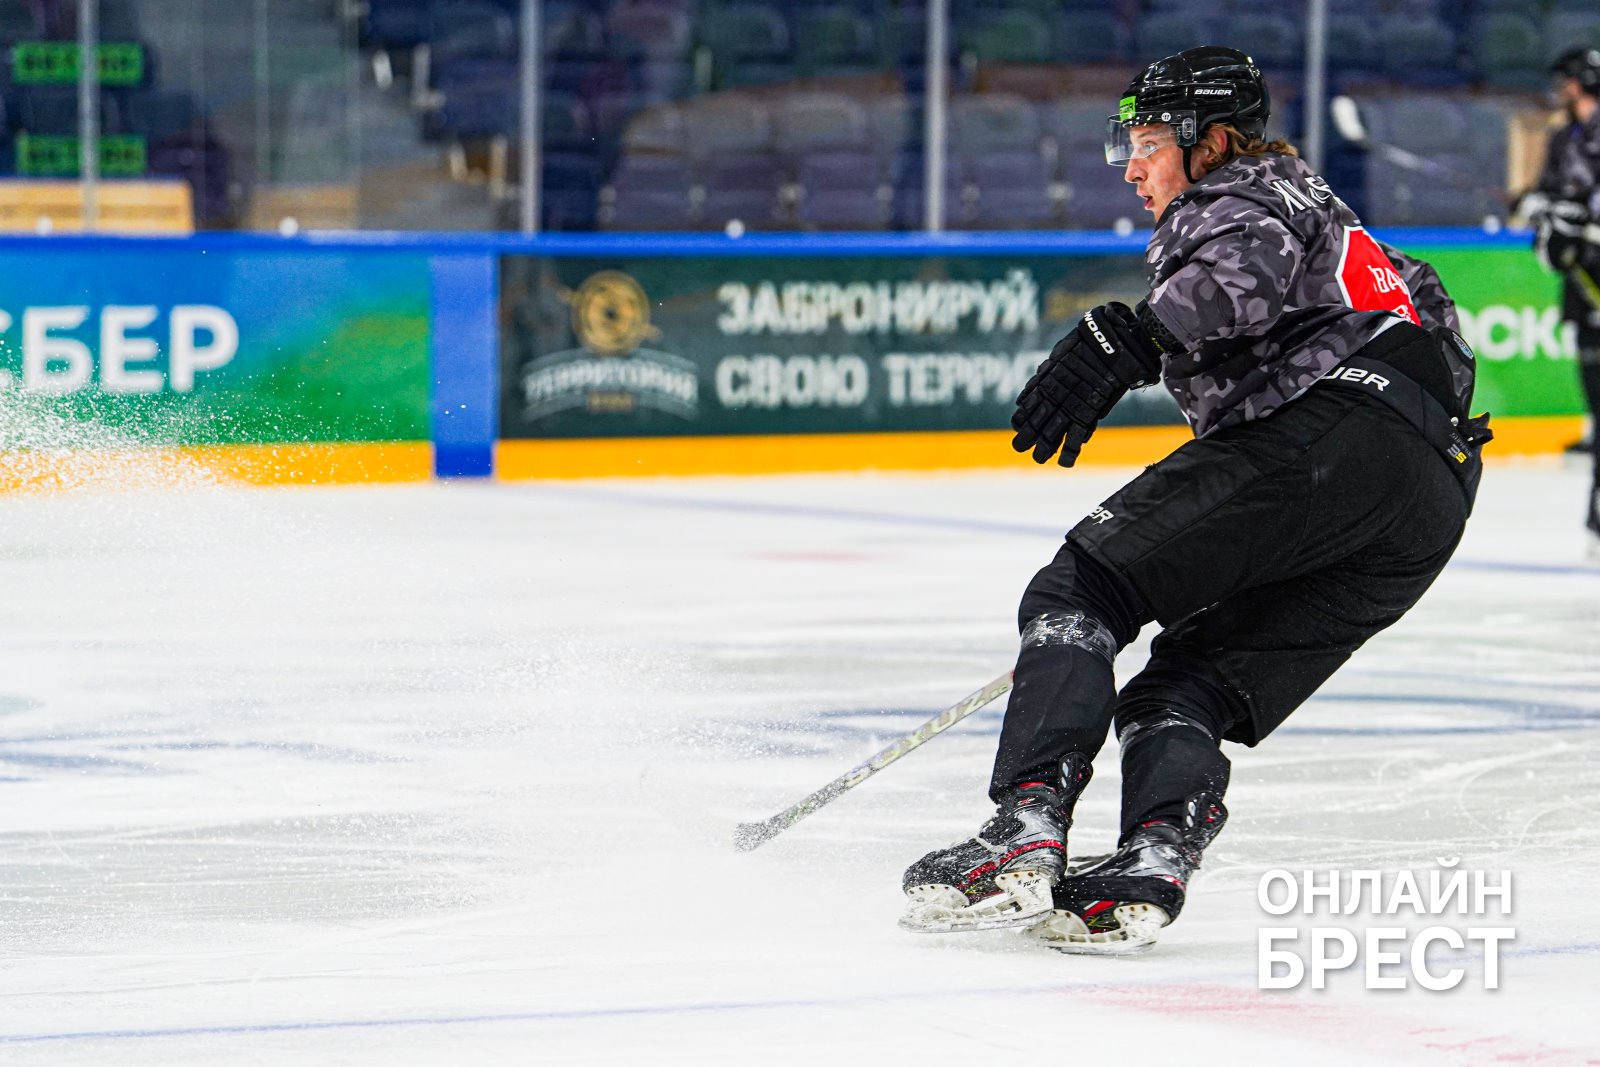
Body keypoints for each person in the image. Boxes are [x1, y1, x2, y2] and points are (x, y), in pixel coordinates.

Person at [898, 46, 1492, 954]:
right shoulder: (1330, 219)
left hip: (1338, 438)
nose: (1132, 166)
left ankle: (1022, 829)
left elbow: (1239, 280)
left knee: (1079, 591)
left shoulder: (1239, 197)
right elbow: (1436, 331)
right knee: (1186, 680)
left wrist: (1135, 335)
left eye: (1147, 141)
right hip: (1430, 497)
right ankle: (1151, 856)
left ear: (1209, 141)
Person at [1517, 47, 1600, 557]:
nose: (1560, 90)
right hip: (1582, 279)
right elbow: (1552, 203)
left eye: (1565, 81)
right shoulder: (1562, 138)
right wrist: (1542, 212)